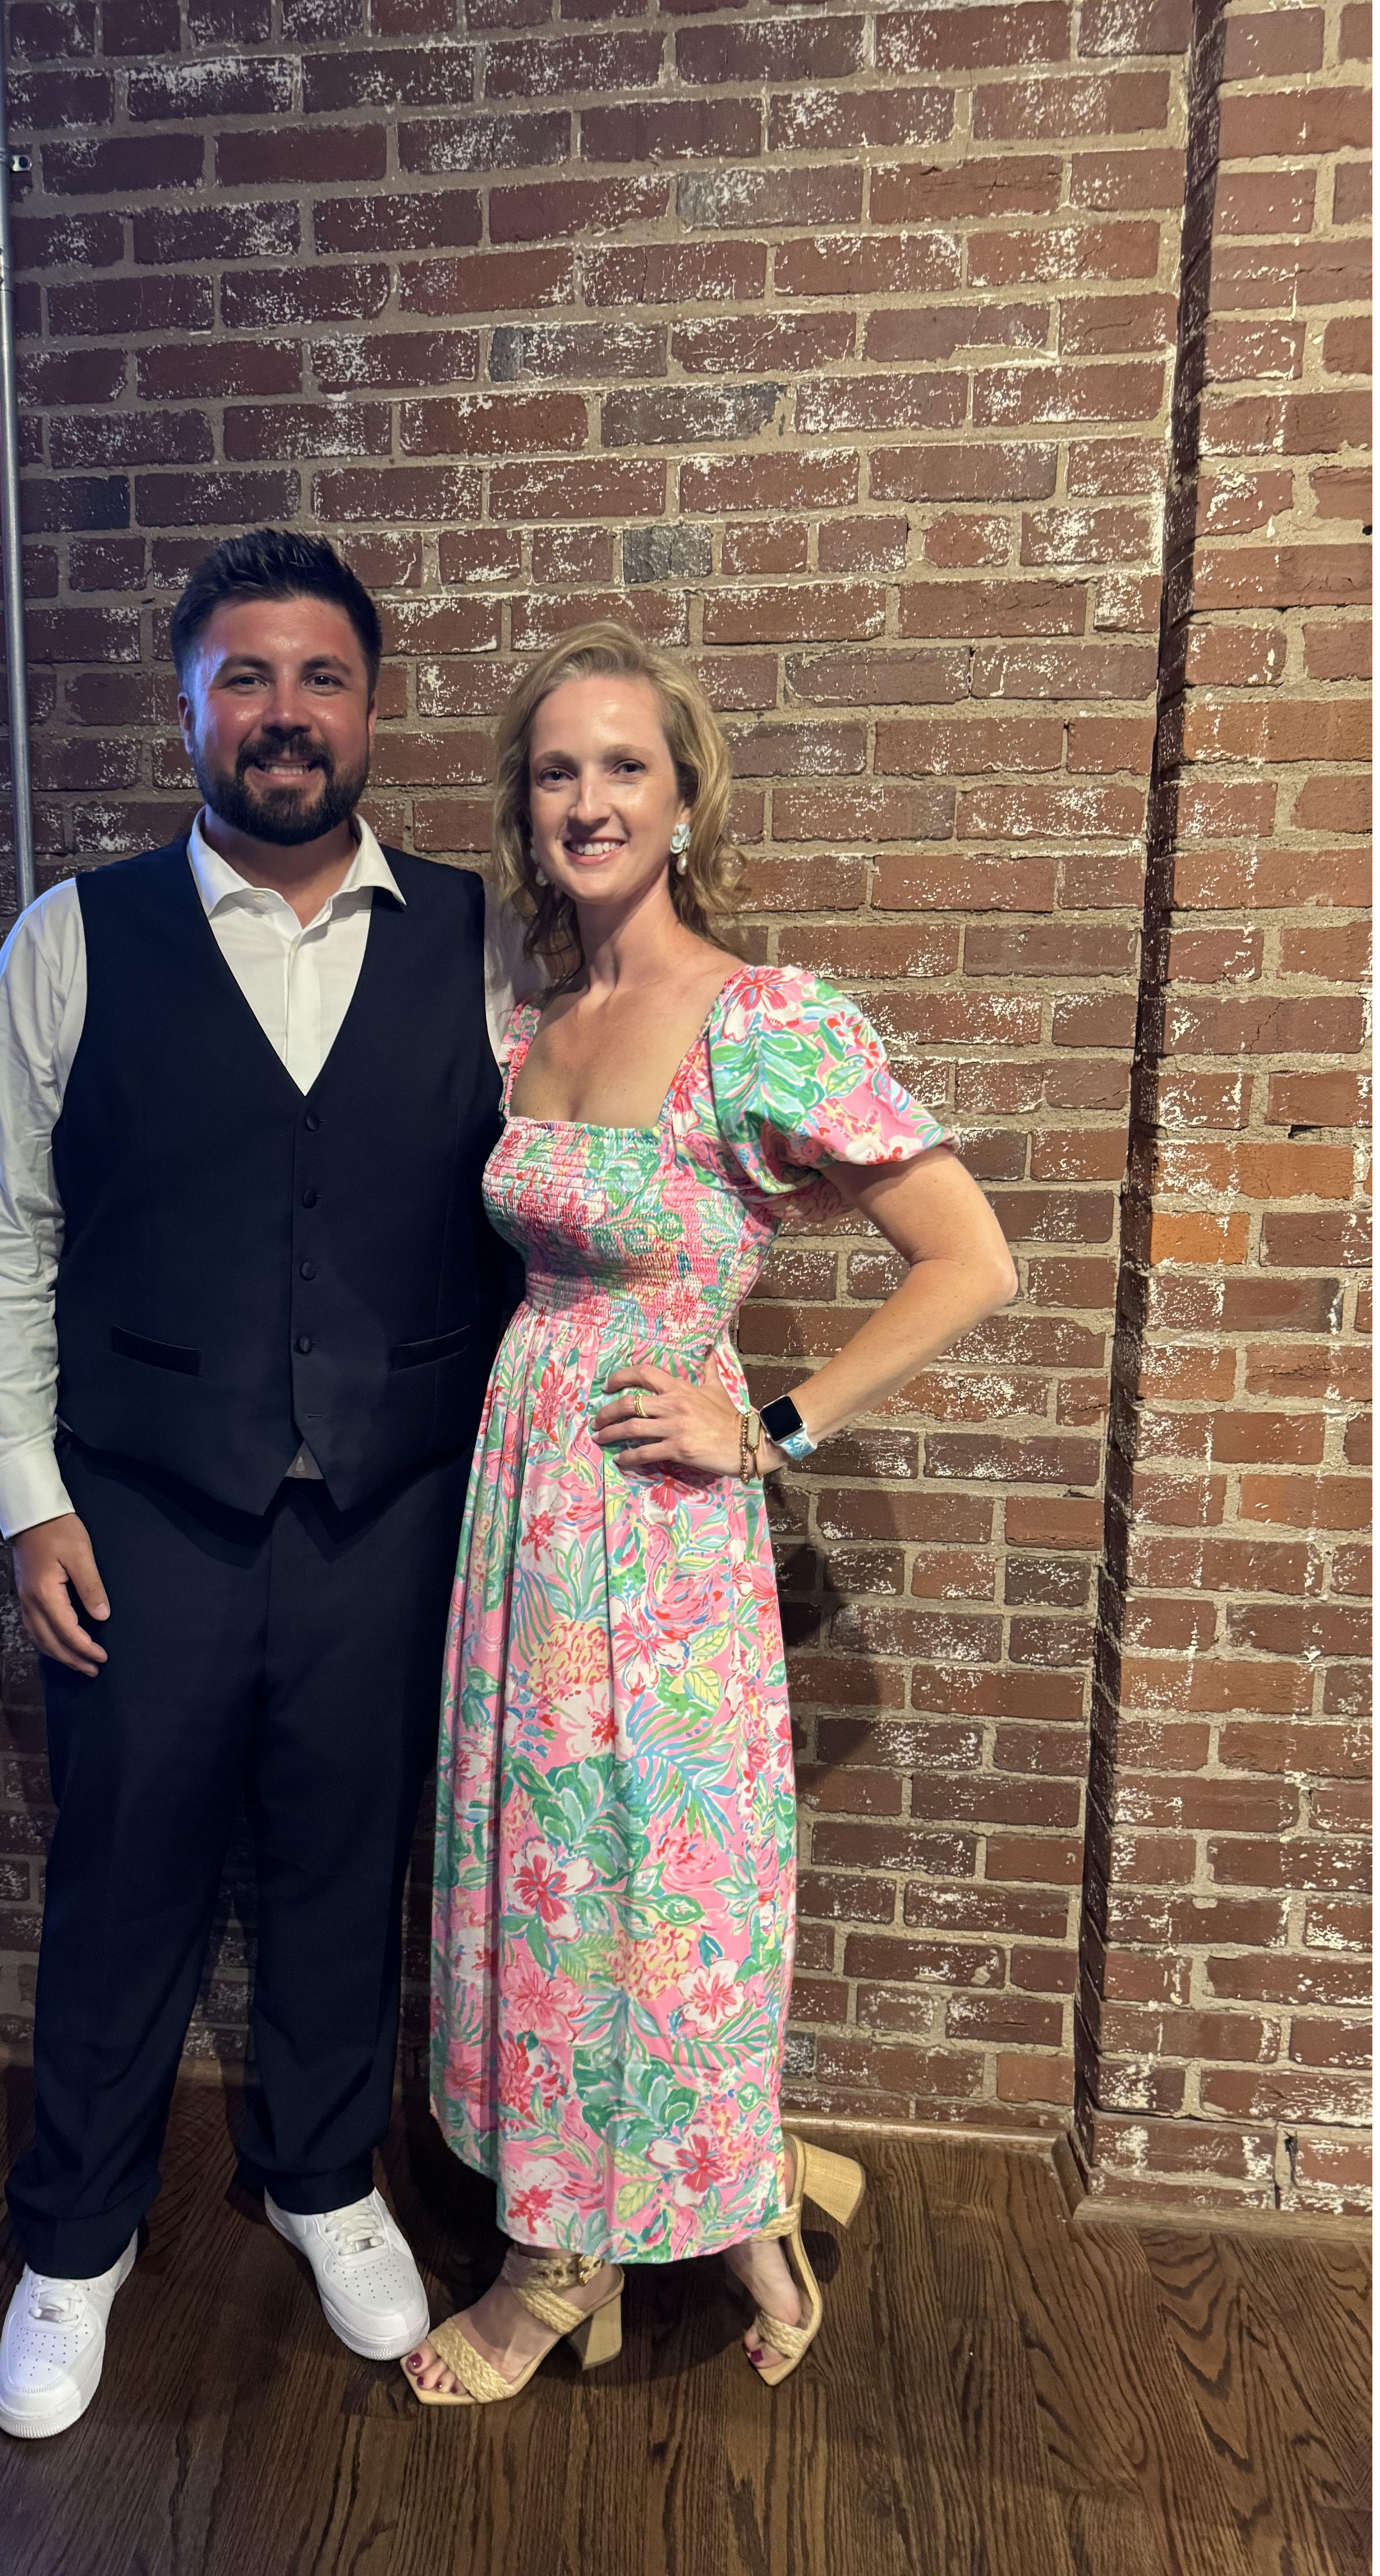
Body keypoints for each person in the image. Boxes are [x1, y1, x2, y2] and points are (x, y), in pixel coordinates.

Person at [0, 529, 524, 2439]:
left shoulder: (486, 940)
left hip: (394, 1509)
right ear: (187, 706)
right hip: (139, 1511)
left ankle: (324, 2179)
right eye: (245, 678)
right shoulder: (73, 937)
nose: (285, 713)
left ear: (373, 707)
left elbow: (578, 1178)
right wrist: (27, 1495)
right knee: (124, 1875)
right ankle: (74, 2240)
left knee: (351, 1863)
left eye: (320, 677)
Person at [400, 624, 1019, 2406]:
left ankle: (567, 2260)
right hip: (526, 1504)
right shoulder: (534, 1019)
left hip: (659, 1537)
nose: (589, 800)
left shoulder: (764, 1022)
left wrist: (770, 1428)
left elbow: (970, 1258)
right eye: (557, 770)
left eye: (626, 767)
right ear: (525, 810)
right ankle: (708, 2194)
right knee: (545, 1865)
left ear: (685, 802)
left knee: (644, 1882)